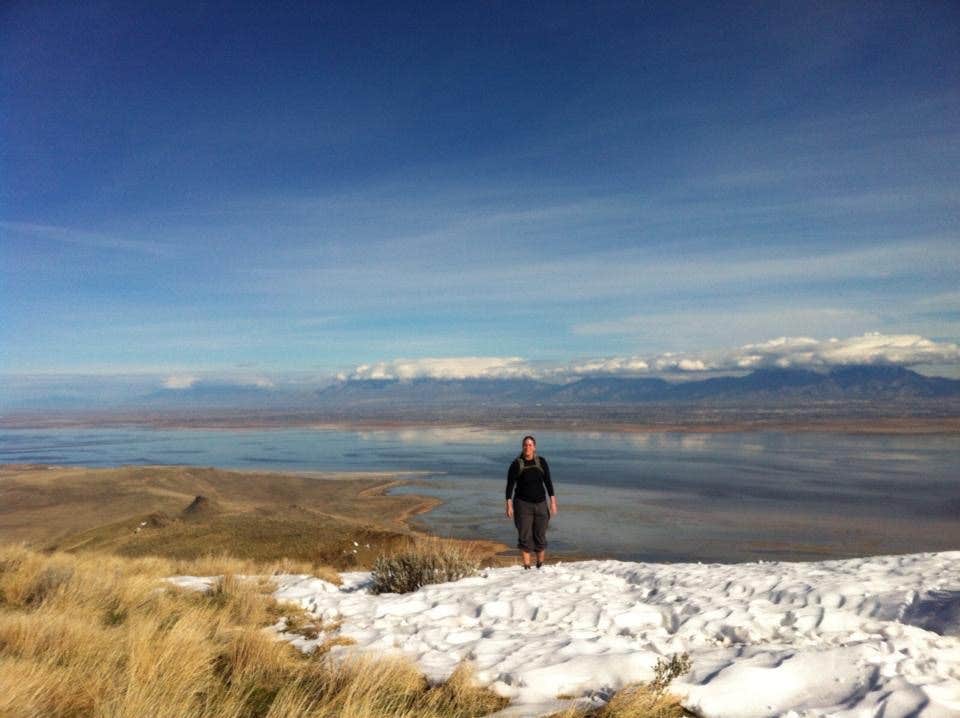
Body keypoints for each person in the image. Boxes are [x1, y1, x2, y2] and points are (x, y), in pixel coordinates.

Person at [505, 435, 558, 569]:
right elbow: (509, 486)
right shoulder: (516, 464)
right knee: (525, 536)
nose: (527, 447)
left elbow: (548, 482)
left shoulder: (541, 462)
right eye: (525, 445)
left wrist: (553, 502)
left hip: (541, 504)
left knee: (540, 535)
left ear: (534, 447)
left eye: (530, 445)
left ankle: (540, 565)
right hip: (522, 505)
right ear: (522, 447)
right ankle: (527, 567)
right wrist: (509, 505)